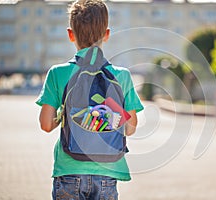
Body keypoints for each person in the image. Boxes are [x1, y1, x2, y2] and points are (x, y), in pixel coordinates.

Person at [36, 0, 144, 199]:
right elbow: (130, 127)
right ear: (107, 34)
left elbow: (45, 125)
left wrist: (65, 114)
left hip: (68, 169)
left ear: (70, 34)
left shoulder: (57, 73)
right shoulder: (122, 76)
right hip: (107, 172)